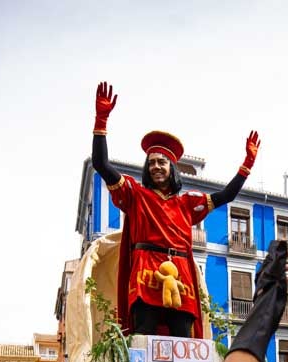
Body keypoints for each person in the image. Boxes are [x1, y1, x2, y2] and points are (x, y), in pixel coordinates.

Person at [91, 81, 259, 336]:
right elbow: (101, 164)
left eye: (162, 162)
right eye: (152, 162)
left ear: (172, 168)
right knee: (145, 335)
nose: (156, 166)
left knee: (184, 337)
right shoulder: (135, 195)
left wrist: (246, 164)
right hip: (146, 269)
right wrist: (101, 121)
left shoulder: (188, 203)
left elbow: (227, 195)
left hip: (181, 273)